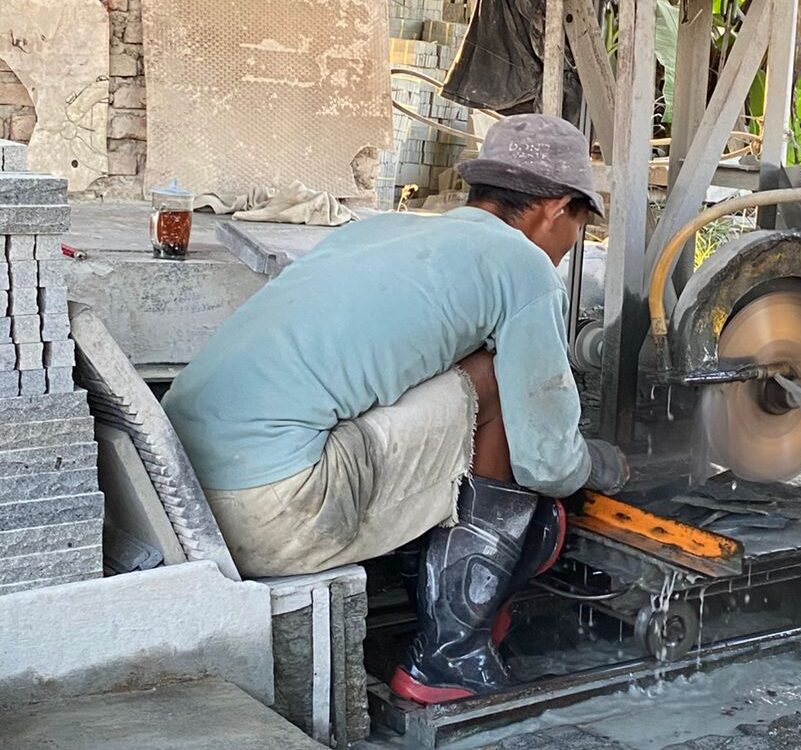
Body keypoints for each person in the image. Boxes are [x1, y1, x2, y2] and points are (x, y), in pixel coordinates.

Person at [162, 114, 629, 704]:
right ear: (557, 208)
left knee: (448, 367)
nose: (569, 248)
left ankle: (434, 575)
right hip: (275, 511)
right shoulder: (523, 264)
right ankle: (449, 656)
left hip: (182, 504)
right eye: (580, 227)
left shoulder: (378, 229)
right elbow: (547, 465)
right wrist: (589, 464)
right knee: (493, 380)